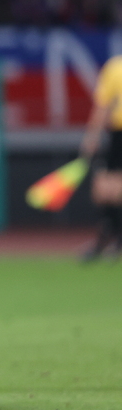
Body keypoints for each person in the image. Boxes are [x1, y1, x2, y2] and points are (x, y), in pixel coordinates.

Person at [79, 54, 122, 261]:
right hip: (117, 134)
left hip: (118, 135)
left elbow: (102, 107)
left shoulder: (115, 67)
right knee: (106, 188)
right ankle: (110, 237)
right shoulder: (115, 68)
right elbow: (103, 106)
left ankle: (110, 238)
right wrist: (93, 136)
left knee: (108, 188)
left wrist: (92, 137)